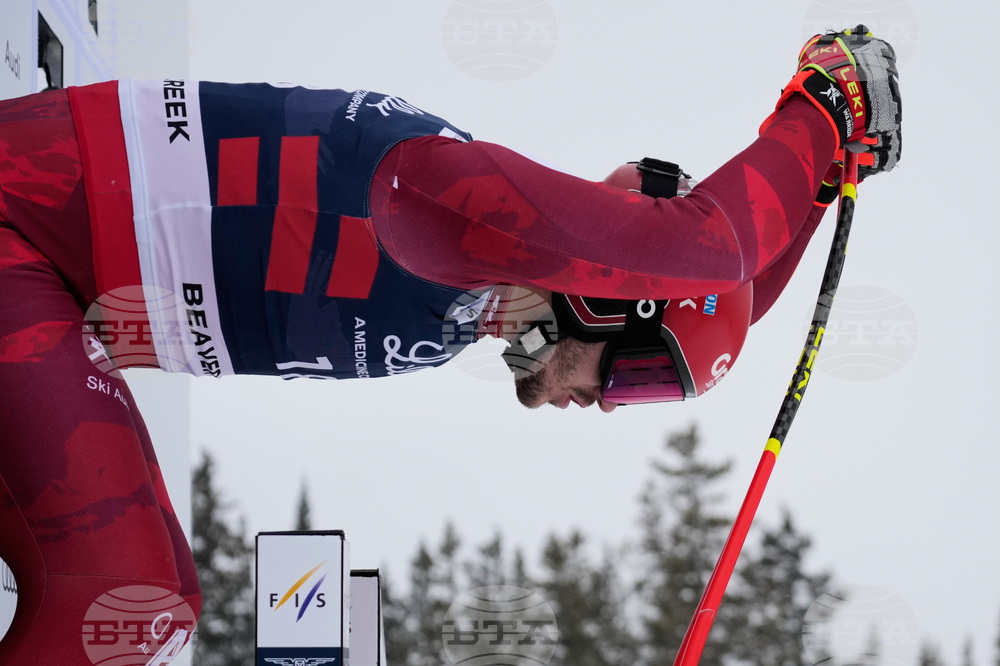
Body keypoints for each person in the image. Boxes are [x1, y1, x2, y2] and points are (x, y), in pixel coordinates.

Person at [0, 27, 900, 664]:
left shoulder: (463, 300)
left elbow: (731, 289)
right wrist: (823, 106)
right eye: (628, 379)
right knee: (119, 601)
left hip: (52, 291)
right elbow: (709, 249)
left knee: (161, 606)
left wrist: (821, 186)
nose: (594, 405)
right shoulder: (445, 202)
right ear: (607, 296)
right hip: (22, 230)